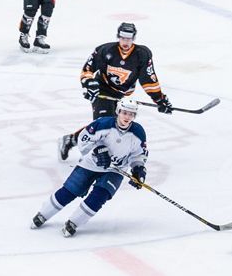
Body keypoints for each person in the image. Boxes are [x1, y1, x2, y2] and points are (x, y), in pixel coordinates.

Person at [31, 96, 148, 238]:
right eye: (124, 113)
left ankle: (74, 223)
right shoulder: (102, 124)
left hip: (115, 169)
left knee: (100, 196)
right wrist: (97, 150)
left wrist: (138, 169)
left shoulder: (138, 132)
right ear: (118, 111)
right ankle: (43, 214)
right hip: (90, 164)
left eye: (131, 114)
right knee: (70, 190)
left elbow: (138, 154)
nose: (127, 117)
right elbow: (83, 140)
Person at [58, 22, 172, 161]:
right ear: (118, 37)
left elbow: (148, 80)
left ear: (133, 38)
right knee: (104, 123)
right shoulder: (105, 50)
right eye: (123, 38)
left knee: (116, 124)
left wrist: (159, 99)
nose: (125, 42)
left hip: (120, 94)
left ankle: (71, 140)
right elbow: (87, 69)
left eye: (129, 39)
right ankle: (95, 156)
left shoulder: (142, 55)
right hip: (102, 90)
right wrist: (89, 84)